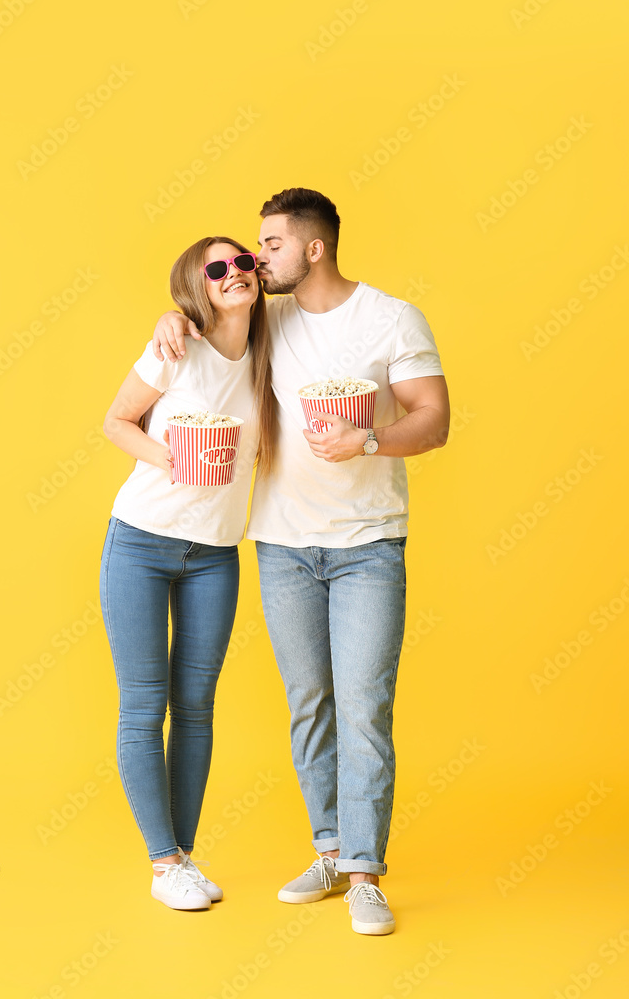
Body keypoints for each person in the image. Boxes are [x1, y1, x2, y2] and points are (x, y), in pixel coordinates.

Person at [152, 189, 450, 935]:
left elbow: (433, 419)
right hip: (282, 544)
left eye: (271, 245)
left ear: (313, 248)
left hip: (368, 544)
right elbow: (200, 326)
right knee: (309, 704)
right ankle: (328, 847)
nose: (257, 259)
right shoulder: (266, 320)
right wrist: (170, 316)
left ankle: (364, 875)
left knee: (364, 707)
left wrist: (371, 440)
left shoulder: (390, 317)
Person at [100, 236, 275, 911]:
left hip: (214, 554)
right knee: (144, 705)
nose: (235, 272)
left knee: (195, 707)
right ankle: (163, 861)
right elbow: (116, 421)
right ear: (196, 285)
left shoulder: (271, 353)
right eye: (218, 267)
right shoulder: (175, 347)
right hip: (139, 542)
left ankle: (184, 857)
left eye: (245, 262)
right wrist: (169, 460)